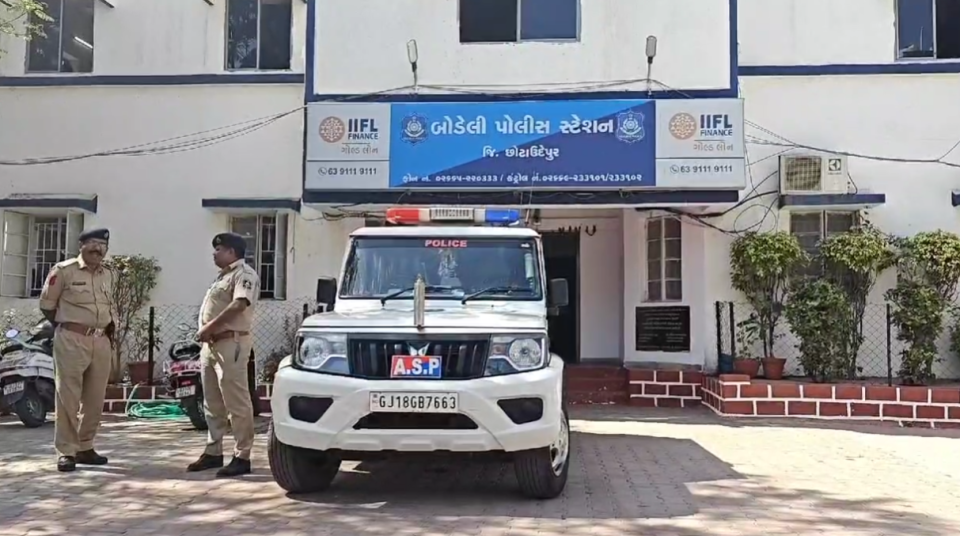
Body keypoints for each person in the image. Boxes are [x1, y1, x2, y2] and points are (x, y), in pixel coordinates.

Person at [38, 228, 116, 473]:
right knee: (68, 396)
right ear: (81, 245)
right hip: (71, 338)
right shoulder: (63, 271)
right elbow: (47, 306)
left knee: (95, 398)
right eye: (92, 243)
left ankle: (85, 446)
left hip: (100, 340)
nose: (97, 248)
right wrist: (69, 326)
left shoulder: (108, 273)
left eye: (102, 244)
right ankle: (66, 451)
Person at [187, 232, 260, 477]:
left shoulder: (244, 275)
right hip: (211, 346)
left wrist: (209, 327)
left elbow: (239, 304)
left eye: (219, 249)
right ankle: (213, 451)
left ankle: (242, 455)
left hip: (232, 343)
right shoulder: (222, 277)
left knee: (236, 401)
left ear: (231, 251)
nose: (214, 253)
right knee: (212, 402)